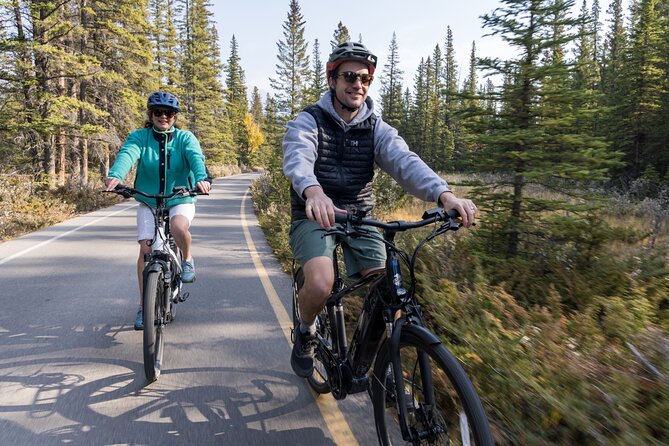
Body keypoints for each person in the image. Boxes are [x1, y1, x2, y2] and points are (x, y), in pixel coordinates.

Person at [283, 42, 477, 378]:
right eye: (349, 76)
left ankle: (385, 361)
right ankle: (306, 330)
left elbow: (405, 162)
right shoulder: (308, 120)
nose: (357, 84)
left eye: (364, 78)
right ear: (332, 79)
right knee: (320, 283)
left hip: (359, 217)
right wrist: (313, 191)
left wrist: (445, 196)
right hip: (314, 214)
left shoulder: (376, 128)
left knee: (390, 289)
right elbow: (298, 158)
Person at [104, 91, 211, 330]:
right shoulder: (140, 137)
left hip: (180, 196)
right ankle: (144, 306)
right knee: (146, 248)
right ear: (151, 115)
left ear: (175, 116)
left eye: (169, 113)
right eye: (158, 112)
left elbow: (196, 158)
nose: (164, 116)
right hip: (148, 198)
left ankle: (187, 258)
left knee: (177, 226)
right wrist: (115, 175)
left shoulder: (185, 138)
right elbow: (127, 154)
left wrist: (202, 179)